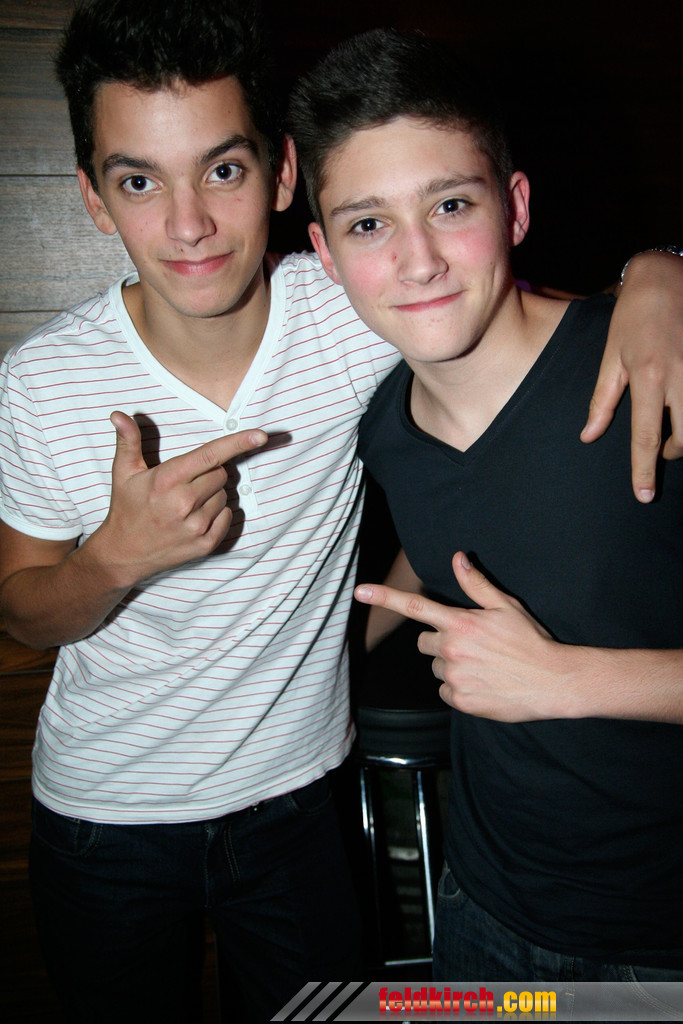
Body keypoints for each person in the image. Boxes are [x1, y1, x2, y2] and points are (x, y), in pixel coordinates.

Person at [0, 3, 681, 1019]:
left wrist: (658, 270)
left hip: (304, 802)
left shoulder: (360, 310)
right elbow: (19, 612)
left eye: (221, 170)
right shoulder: (44, 380)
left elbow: (503, 296)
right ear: (95, 198)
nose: (187, 224)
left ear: (280, 176)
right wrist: (112, 562)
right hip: (110, 814)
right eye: (139, 181)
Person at [287, 25, 683, 1000]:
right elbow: (458, 536)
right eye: (368, 224)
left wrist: (566, 678)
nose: (416, 260)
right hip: (481, 913)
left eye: (449, 205)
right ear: (325, 253)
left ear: (514, 206)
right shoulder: (384, 428)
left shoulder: (651, 371)